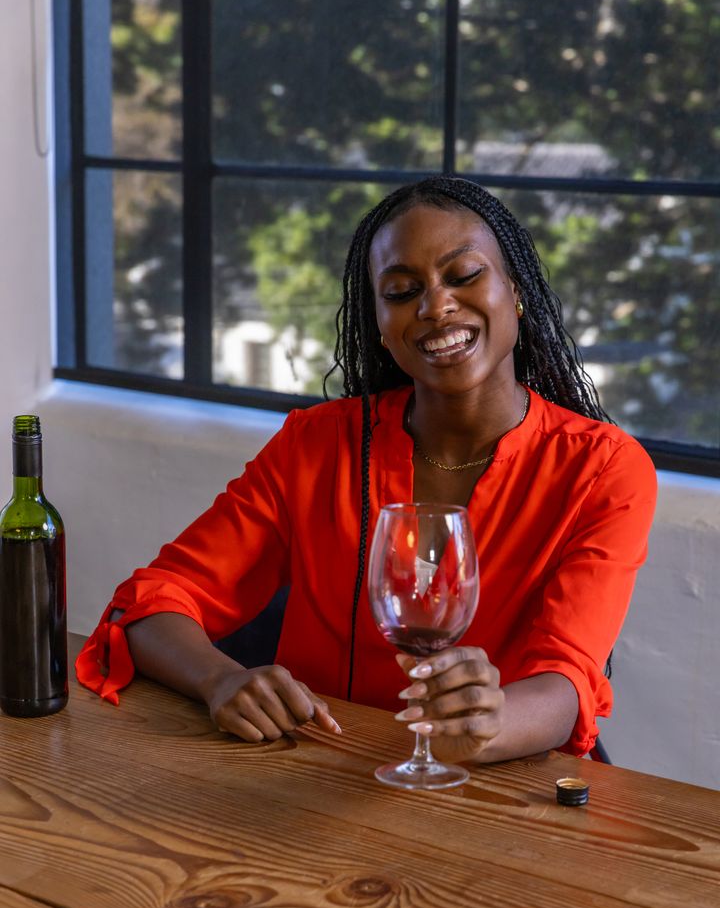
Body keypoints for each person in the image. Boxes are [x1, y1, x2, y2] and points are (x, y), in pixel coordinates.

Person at [76, 175, 657, 764]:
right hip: (313, 775)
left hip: (496, 793)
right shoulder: (316, 444)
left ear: (517, 290)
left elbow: (567, 683)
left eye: (463, 276)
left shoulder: (603, 468)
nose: (435, 306)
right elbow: (152, 603)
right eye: (403, 291)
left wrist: (489, 723)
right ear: (379, 324)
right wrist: (220, 680)